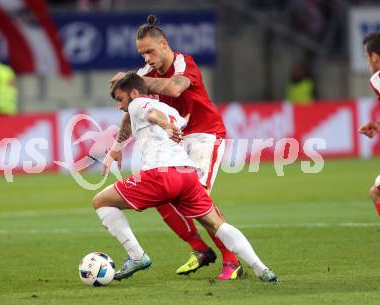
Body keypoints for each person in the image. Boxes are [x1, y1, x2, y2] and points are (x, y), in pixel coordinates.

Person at [94, 72, 277, 283]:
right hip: (187, 175)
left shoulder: (138, 104)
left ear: (134, 93)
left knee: (100, 202)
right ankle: (262, 269)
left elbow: (152, 113)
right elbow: (177, 120)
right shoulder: (171, 110)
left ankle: (137, 256)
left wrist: (164, 125)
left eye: (120, 99)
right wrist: (169, 125)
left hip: (160, 174)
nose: (120, 106)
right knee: (218, 225)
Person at [105, 15, 242, 280]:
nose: (146, 58)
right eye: (141, 53)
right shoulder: (144, 75)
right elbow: (133, 110)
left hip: (205, 134)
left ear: (164, 44)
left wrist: (135, 80)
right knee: (161, 192)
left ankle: (232, 260)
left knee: (198, 199)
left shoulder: (183, 63)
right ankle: (200, 249)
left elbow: (174, 88)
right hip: (175, 139)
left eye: (149, 51)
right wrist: (117, 145)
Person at [358, 32, 380, 216]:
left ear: (375, 57)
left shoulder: (378, 78)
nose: (368, 63)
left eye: (367, 57)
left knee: (377, 193)